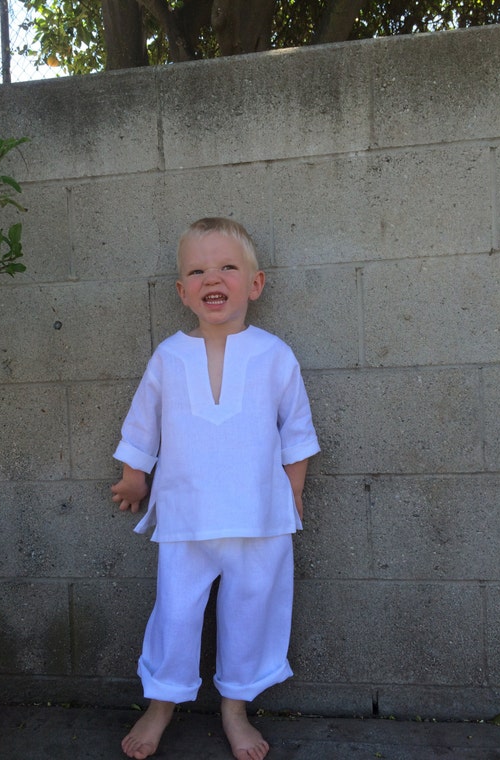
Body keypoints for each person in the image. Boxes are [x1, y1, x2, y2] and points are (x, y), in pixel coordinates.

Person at [111, 217, 320, 760]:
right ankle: (161, 704)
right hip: (187, 518)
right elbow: (143, 423)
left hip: (259, 518)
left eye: (228, 266)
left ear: (254, 283)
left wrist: (292, 492)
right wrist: (136, 476)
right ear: (183, 291)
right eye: (198, 269)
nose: (213, 277)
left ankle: (235, 708)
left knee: (252, 614)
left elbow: (295, 431)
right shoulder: (168, 356)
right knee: (175, 614)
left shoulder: (275, 355)